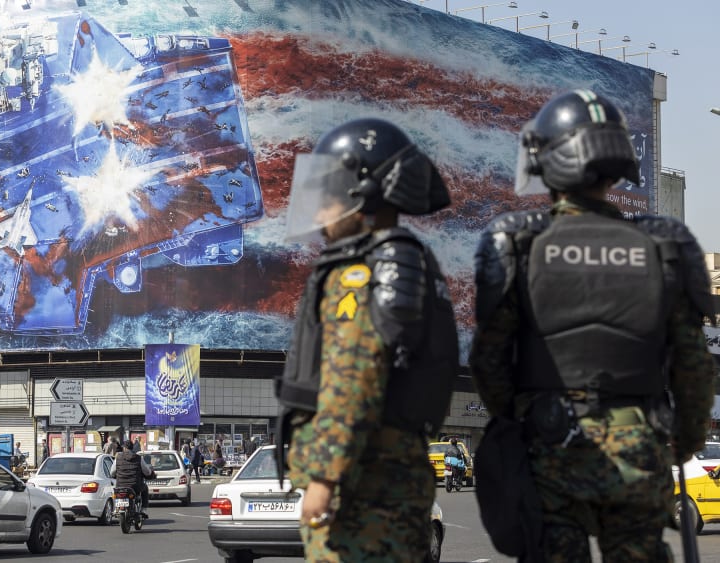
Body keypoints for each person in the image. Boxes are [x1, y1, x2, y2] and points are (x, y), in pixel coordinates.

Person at [470, 90, 715, 562]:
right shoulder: (665, 243)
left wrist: (519, 418)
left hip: (550, 448)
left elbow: (489, 361)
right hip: (640, 446)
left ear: (548, 161)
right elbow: (694, 365)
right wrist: (681, 441)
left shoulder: (516, 242)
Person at [277, 117, 460, 561]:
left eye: (329, 197)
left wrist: (323, 478)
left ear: (363, 192)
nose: (320, 213)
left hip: (360, 487)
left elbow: (353, 375)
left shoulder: (360, 272)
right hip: (393, 478)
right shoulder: (409, 262)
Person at [109, 439, 155, 518]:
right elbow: (147, 471)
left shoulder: (118, 458)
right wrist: (151, 474)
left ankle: (117, 509)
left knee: (115, 493)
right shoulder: (138, 458)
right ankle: (143, 510)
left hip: (120, 485)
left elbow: (112, 472)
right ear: (132, 448)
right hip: (135, 486)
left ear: (124, 448)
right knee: (145, 488)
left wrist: (115, 475)